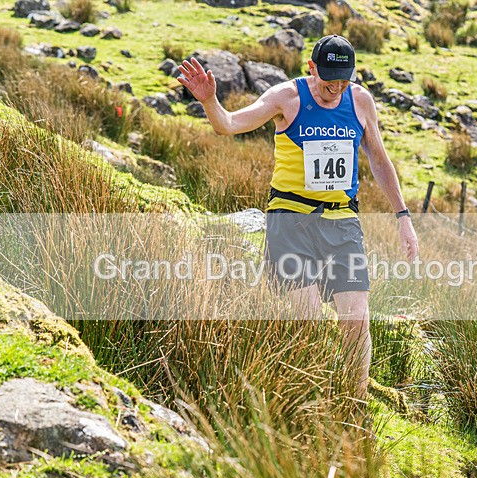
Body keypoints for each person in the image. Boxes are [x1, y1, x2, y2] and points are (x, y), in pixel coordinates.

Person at [177, 35, 418, 400]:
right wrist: (210, 100)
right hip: (290, 220)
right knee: (306, 321)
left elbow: (380, 162)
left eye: (342, 82)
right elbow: (227, 124)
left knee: (356, 320)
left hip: (342, 222)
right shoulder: (285, 98)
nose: (333, 89)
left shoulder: (360, 101)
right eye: (326, 82)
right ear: (311, 68)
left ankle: (356, 402)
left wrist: (403, 217)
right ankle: (307, 400)